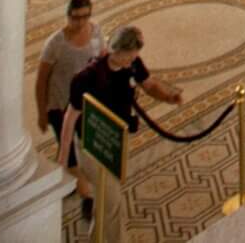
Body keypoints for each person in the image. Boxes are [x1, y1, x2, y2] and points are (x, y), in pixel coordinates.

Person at [56, 26, 182, 220]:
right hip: (91, 143)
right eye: (129, 56)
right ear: (116, 50)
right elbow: (70, 116)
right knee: (112, 203)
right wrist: (63, 159)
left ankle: (97, 228)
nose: (133, 60)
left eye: (134, 56)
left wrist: (168, 97)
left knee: (107, 199)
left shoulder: (132, 64)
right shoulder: (88, 77)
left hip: (115, 140)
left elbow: (149, 85)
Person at [34, 0, 103, 158]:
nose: (81, 22)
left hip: (85, 103)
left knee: (89, 147)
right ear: (68, 15)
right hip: (60, 106)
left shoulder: (96, 33)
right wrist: (42, 113)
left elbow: (102, 61)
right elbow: (41, 80)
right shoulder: (55, 43)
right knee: (67, 153)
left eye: (85, 17)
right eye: (76, 18)